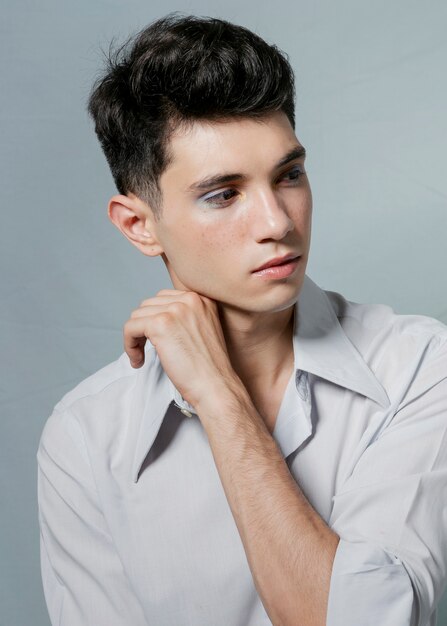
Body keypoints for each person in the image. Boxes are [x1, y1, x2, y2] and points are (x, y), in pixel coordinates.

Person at [37, 12, 447, 626]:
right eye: (223, 193)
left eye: (290, 175)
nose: (278, 222)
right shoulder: (85, 436)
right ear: (138, 225)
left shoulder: (418, 365)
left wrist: (222, 400)